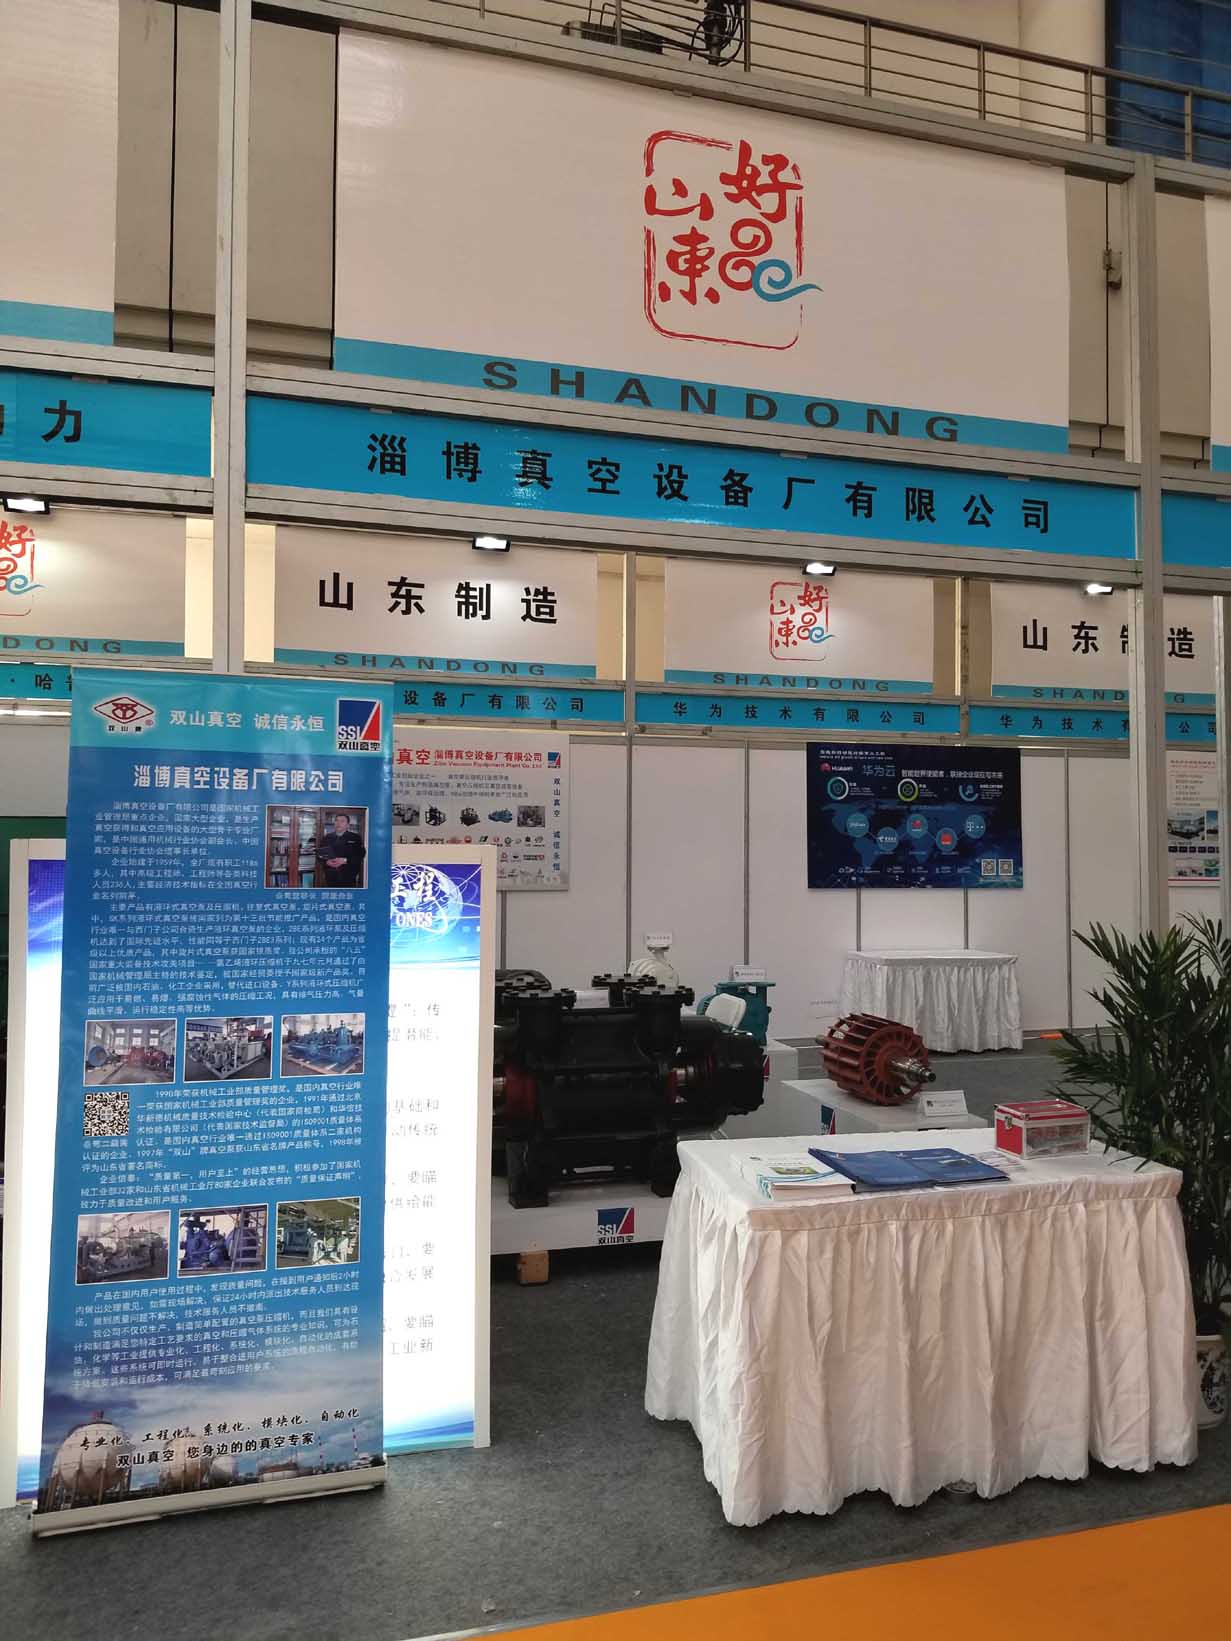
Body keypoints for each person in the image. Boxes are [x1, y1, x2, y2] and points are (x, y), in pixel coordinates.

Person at [317, 812, 366, 888]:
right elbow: (319, 855)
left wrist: (345, 860)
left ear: (348, 825)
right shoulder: (327, 837)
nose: (338, 823)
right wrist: (326, 862)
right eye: (336, 821)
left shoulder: (355, 838)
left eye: (342, 821)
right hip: (330, 876)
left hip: (348, 876)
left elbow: (361, 855)